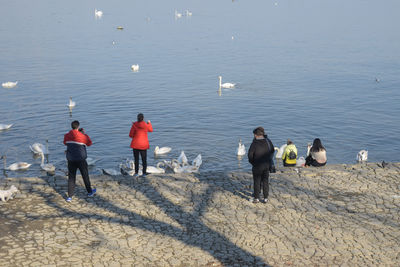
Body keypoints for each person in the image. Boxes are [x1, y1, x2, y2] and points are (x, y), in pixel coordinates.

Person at [63, 120, 96, 202]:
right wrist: (83, 134)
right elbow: (89, 143)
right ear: (78, 127)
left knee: (71, 177)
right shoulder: (82, 136)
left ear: (72, 126)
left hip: (71, 159)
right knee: (85, 176)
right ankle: (89, 192)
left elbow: (65, 143)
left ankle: (69, 196)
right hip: (81, 159)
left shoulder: (67, 135)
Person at [248, 127, 274, 204]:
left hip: (257, 165)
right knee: (265, 180)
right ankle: (265, 197)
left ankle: (256, 198)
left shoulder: (254, 144)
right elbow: (272, 150)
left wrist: (252, 162)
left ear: (256, 135)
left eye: (254, 135)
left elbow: (250, 155)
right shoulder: (268, 141)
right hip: (266, 164)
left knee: (257, 181)